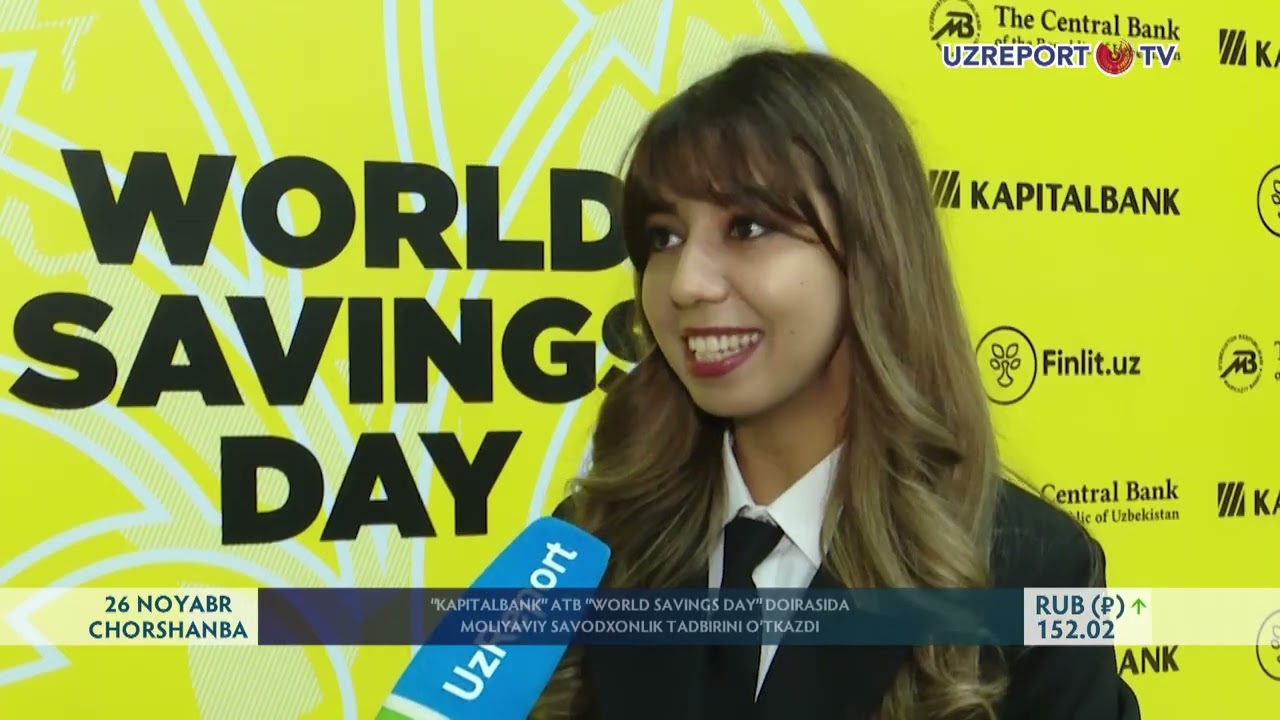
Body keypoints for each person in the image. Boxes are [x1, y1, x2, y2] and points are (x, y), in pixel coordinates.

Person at [531, 49, 1139, 719]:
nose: (686, 284)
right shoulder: (585, 547)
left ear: (872, 252)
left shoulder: (1029, 572)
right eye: (663, 238)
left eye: (747, 227)